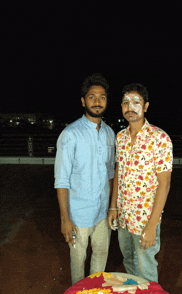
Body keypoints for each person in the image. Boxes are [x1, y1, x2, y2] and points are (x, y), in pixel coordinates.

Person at [108, 83, 173, 283]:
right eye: (126, 103)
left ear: (145, 107)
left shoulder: (160, 138)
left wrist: (152, 225)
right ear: (121, 107)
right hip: (124, 216)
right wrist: (113, 207)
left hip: (146, 218)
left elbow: (164, 184)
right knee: (129, 260)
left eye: (136, 102)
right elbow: (119, 172)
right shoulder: (120, 138)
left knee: (146, 265)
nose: (130, 107)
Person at [54, 73, 115, 285]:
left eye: (102, 97)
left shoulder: (109, 134)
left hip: (102, 212)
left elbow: (110, 174)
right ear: (83, 101)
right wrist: (65, 219)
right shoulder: (70, 134)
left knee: (100, 256)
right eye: (92, 97)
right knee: (78, 261)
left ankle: (95, 289)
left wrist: (112, 208)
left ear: (107, 101)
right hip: (77, 214)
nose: (97, 102)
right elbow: (61, 179)